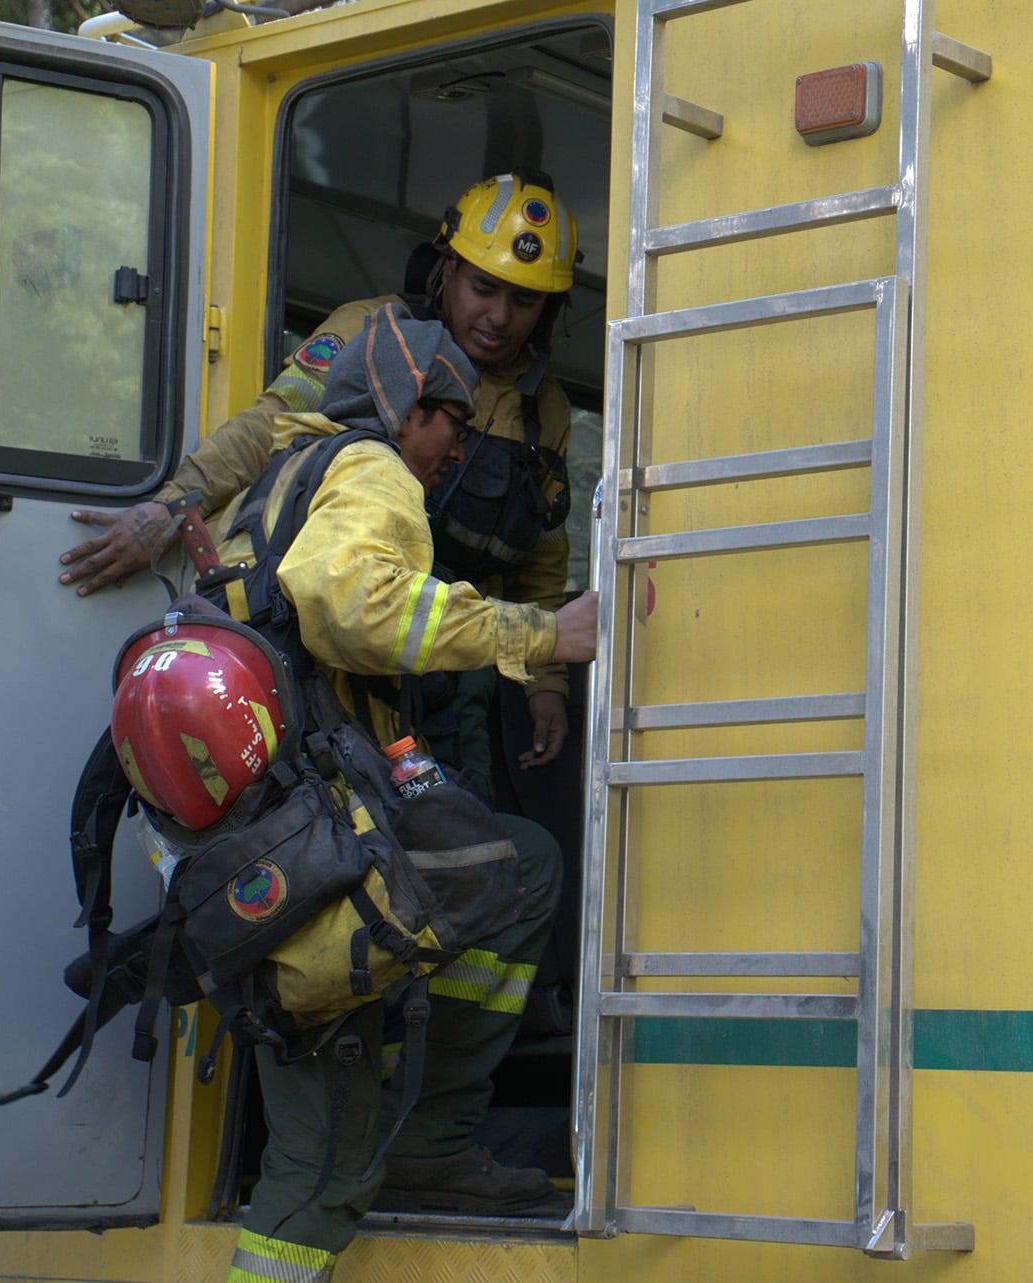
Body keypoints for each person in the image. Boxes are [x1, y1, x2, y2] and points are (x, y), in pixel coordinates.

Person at [219, 305, 597, 1283]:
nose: (460, 447)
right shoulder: (368, 470)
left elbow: (321, 669)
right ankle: (392, 1149)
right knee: (319, 1168)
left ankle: (431, 1134)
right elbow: (354, 605)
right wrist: (540, 635)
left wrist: (425, 782)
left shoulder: (275, 486)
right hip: (316, 864)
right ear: (402, 406)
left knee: (518, 861)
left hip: (278, 842)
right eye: (452, 422)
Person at [61, 171, 583, 775]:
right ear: (447, 271)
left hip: (463, 666)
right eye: (484, 288)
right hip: (343, 660)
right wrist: (171, 507)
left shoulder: (545, 411)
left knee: (458, 828)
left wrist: (546, 683)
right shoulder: (375, 338)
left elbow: (544, 554)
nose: (499, 316)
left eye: (524, 301)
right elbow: (270, 426)